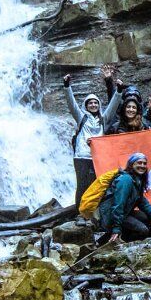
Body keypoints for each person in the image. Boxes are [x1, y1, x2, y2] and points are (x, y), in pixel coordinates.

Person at [63, 65, 120, 205]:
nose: (93, 105)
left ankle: (94, 213)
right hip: (82, 156)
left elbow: (113, 106)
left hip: (98, 156)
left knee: (97, 185)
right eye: (90, 103)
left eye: (96, 103)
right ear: (86, 105)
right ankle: (80, 213)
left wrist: (118, 92)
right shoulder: (81, 117)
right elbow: (72, 104)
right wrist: (67, 86)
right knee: (82, 185)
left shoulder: (103, 119)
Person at [96, 152, 151, 243]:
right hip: (111, 216)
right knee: (143, 230)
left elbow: (143, 203)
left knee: (150, 218)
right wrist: (116, 228)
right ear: (131, 164)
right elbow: (118, 205)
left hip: (123, 213)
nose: (142, 166)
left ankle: (119, 236)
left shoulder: (137, 181)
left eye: (144, 163)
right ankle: (119, 242)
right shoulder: (126, 180)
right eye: (139, 163)